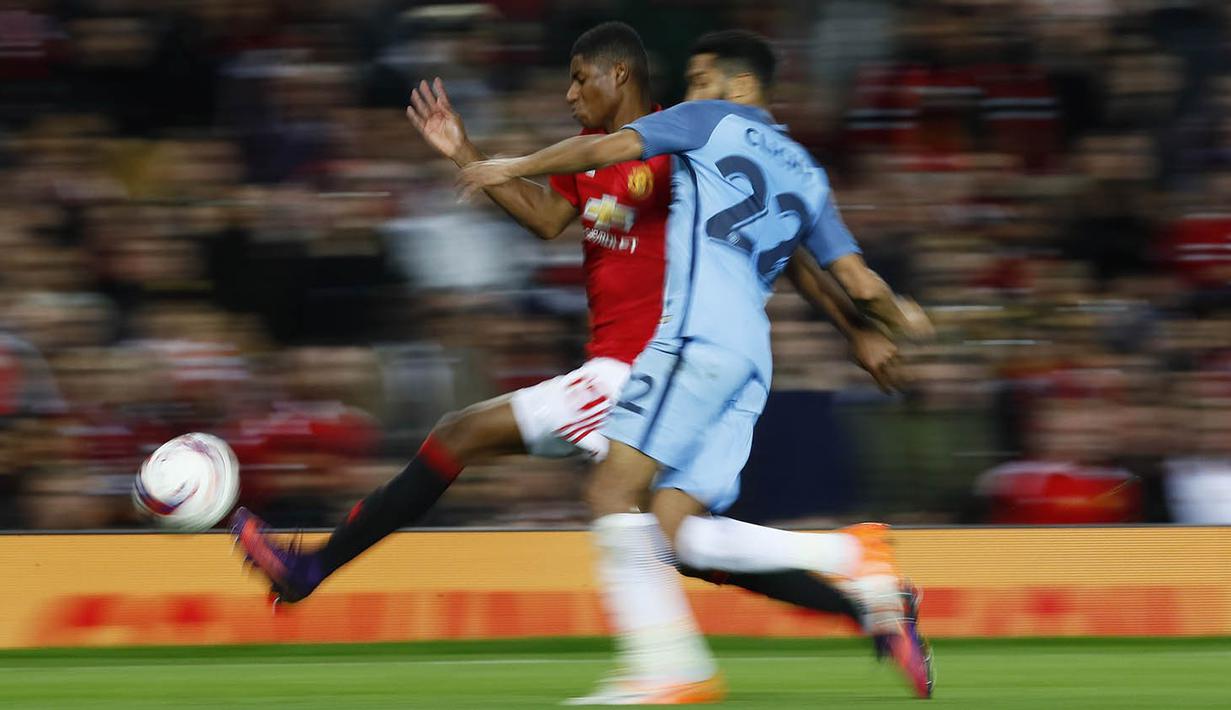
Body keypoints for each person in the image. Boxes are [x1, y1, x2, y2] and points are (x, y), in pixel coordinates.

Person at [232, 22, 910, 701]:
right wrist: (463, 152)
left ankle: (311, 570)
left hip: (642, 364)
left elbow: (781, 244)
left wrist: (853, 330)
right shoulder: (592, 162)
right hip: (645, 368)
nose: (568, 93)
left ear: (617, 76)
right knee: (683, 543)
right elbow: (546, 220)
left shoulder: (679, 140)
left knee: (468, 437)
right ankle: (870, 608)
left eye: (579, 78)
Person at [461, 29, 935, 703]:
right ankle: (849, 561)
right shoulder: (806, 171)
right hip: (750, 363)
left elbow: (602, 149)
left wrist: (508, 165)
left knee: (608, 495)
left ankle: (669, 667)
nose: (689, 92)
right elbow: (856, 281)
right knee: (678, 533)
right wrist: (897, 321)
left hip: (693, 339)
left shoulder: (707, 121)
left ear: (739, 86)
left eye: (701, 77)